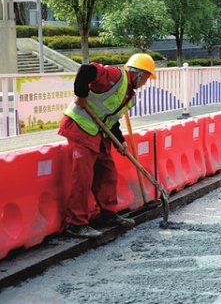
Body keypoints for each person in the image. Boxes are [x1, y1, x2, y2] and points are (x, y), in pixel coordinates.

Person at [58, 53, 157, 237]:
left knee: (108, 172)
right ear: (140, 74)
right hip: (80, 127)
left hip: (99, 132)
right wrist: (81, 95)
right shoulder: (115, 76)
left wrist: (120, 142)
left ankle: (108, 214)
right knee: (83, 177)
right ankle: (77, 223)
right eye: (146, 79)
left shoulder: (129, 95)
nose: (145, 83)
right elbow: (86, 70)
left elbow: (112, 121)